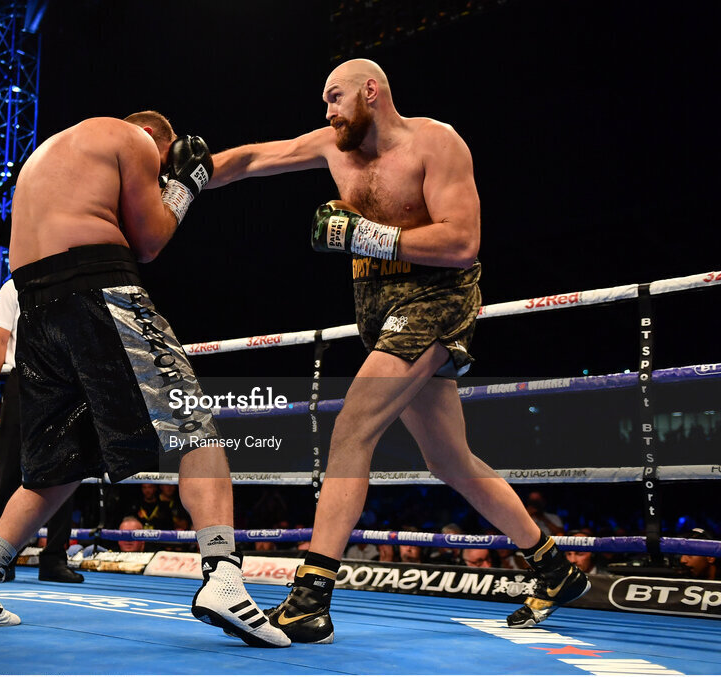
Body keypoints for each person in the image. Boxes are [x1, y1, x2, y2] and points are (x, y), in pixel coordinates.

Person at [208, 58, 589, 641]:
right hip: (379, 312)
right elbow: (257, 157)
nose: (328, 111)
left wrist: (364, 234)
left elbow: (462, 241)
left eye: (335, 97)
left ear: (371, 91)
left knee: (352, 425)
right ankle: (554, 568)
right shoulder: (335, 147)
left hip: (437, 300)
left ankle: (311, 597)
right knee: (449, 460)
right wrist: (183, 178)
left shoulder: (436, 143)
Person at [0, 111, 290, 648]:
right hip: (98, 289)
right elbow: (148, 240)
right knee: (193, 423)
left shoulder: (53, 153)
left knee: (58, 461)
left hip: (36, 309)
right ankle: (224, 577)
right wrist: (184, 186)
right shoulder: (135, 139)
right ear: (157, 139)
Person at [0, 277, 82, 583]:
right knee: (9, 471)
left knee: (66, 467)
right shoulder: (14, 286)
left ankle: (54, 559)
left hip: (65, 383)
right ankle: (0, 559)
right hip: (22, 382)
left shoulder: (71, 285)